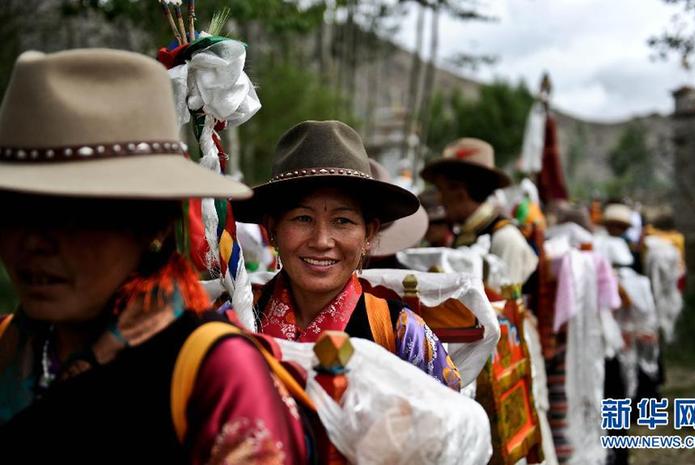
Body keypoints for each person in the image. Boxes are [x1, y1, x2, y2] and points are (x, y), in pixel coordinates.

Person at [0, 49, 307, 465]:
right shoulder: (8, 346)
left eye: (74, 217)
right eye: (15, 211)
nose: (34, 243)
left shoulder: (214, 373)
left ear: (155, 224)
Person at [233, 120, 461, 391]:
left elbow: (448, 425)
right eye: (303, 218)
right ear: (272, 229)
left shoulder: (399, 333)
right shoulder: (237, 316)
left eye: (342, 221)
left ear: (369, 234)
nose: (321, 241)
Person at [421, 137, 538, 286]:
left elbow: (507, 306)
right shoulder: (467, 233)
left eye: (441, 190)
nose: (439, 200)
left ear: (460, 192)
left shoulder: (504, 238)